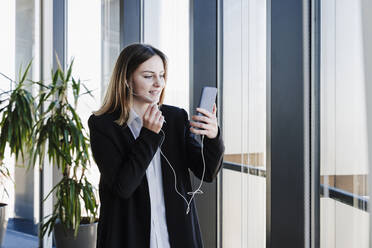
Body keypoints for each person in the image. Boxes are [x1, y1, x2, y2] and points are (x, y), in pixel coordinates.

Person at [88, 43, 225, 248]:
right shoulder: (103, 125)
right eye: (148, 76)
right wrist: (149, 135)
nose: (158, 83)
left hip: (175, 236)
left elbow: (207, 173)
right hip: (127, 236)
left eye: (161, 75)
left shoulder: (176, 118)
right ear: (126, 79)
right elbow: (123, 187)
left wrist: (213, 137)